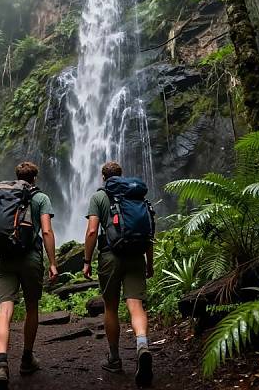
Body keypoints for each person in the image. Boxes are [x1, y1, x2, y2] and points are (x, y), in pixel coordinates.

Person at [83, 161, 154, 387]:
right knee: (136, 305)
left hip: (109, 256)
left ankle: (114, 359)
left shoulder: (99, 197)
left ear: (103, 178)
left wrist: (86, 261)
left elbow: (93, 230)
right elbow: (148, 229)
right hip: (136, 255)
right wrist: (149, 263)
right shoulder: (135, 195)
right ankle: (142, 344)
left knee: (110, 307)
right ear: (121, 176)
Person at [0, 161, 58, 389]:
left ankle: (1, 363)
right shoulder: (41, 198)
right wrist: (53, 263)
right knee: (31, 307)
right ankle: (27, 358)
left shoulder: (2, 196)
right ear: (35, 179)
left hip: (5, 257)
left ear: (16, 176)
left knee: (4, 310)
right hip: (30, 258)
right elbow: (47, 231)